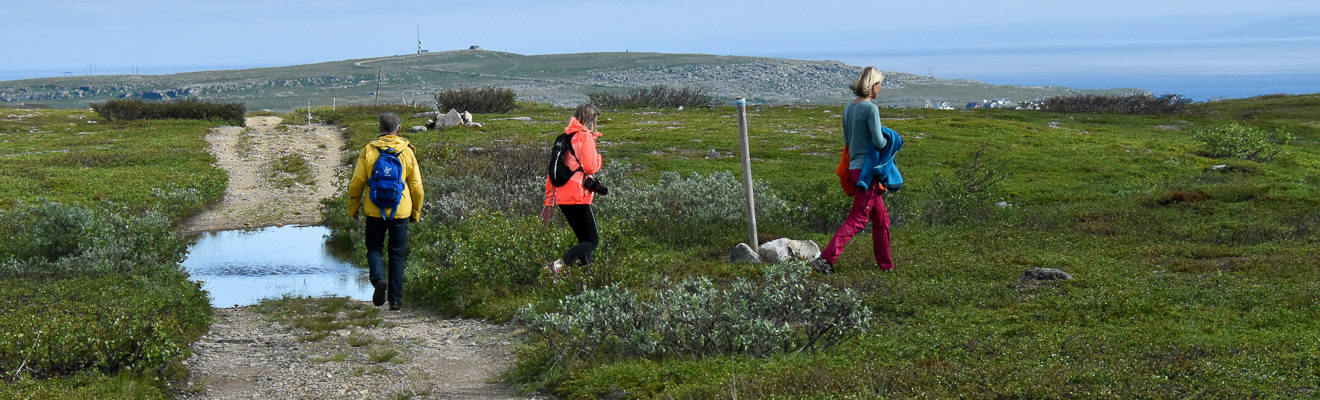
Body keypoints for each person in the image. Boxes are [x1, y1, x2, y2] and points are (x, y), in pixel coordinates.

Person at [813, 66, 898, 274]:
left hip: (854, 168)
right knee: (858, 219)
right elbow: (878, 142)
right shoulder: (871, 109)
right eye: (880, 85)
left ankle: (886, 266)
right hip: (867, 172)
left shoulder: (848, 108)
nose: (880, 89)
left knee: (881, 219)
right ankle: (825, 259)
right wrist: (891, 137)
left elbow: (847, 141)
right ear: (873, 85)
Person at [347, 112, 424, 310]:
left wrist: (353, 206)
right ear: (399, 129)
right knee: (396, 254)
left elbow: (358, 182)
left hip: (374, 209)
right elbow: (416, 187)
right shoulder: (407, 151)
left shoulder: (369, 149)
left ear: (380, 128)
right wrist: (416, 212)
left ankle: (379, 279)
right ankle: (395, 301)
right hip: (400, 210)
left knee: (374, 248)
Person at [541, 103, 604, 273]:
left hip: (563, 198)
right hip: (579, 196)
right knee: (592, 241)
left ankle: (586, 275)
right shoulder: (585, 137)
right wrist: (599, 158)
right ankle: (559, 264)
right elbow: (590, 167)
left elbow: (552, 173)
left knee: (583, 240)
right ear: (590, 119)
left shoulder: (565, 138)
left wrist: (549, 202)